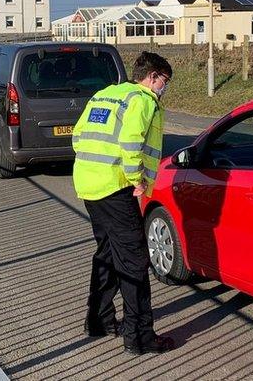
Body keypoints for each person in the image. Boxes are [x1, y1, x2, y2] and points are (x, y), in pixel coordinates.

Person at [71, 51, 174, 355]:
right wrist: (137, 180)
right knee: (134, 262)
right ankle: (140, 337)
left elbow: (77, 136)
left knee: (107, 253)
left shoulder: (106, 94)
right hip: (116, 188)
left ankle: (99, 320)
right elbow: (131, 144)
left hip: (89, 186)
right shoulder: (142, 99)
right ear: (152, 76)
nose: (163, 88)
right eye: (163, 81)